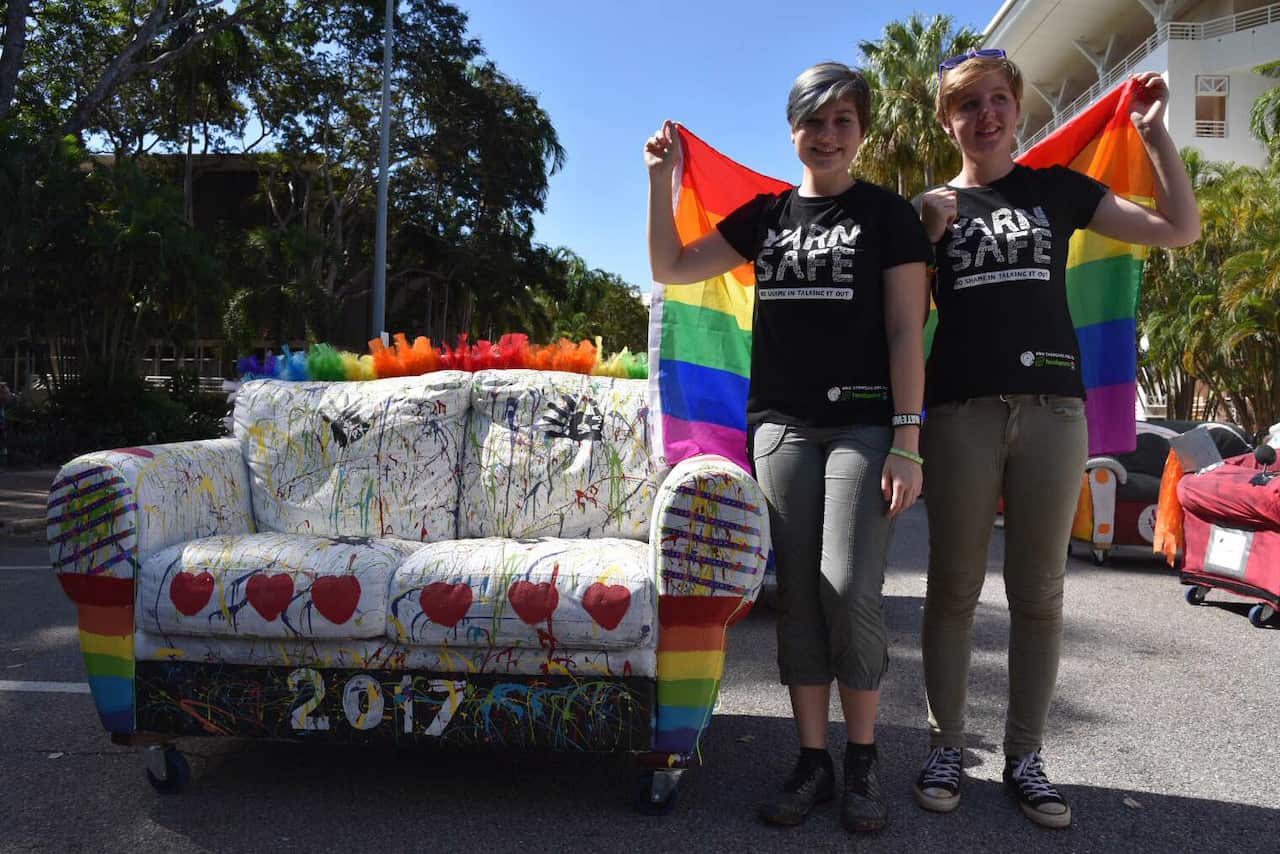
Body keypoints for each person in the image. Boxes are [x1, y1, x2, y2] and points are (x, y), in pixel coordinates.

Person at [912, 51, 1199, 829]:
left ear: (1018, 108)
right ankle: (945, 746)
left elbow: (1179, 227)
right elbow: (895, 322)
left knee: (1039, 593)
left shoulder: (1056, 190)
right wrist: (923, 233)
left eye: (999, 100)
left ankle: (1026, 757)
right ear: (949, 120)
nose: (986, 116)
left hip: (1053, 410)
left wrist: (1154, 135)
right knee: (954, 588)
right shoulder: (929, 209)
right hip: (960, 411)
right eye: (968, 105)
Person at [645, 61, 932, 834]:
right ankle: (813, 761)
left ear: (861, 131)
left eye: (843, 120)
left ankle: (865, 758)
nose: (828, 135)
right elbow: (670, 267)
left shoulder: (889, 216)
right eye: (814, 120)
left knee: (849, 585)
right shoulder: (765, 214)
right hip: (780, 426)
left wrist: (909, 437)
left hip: (867, 424)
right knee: (797, 595)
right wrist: (662, 180)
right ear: (793, 129)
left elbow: (908, 330)